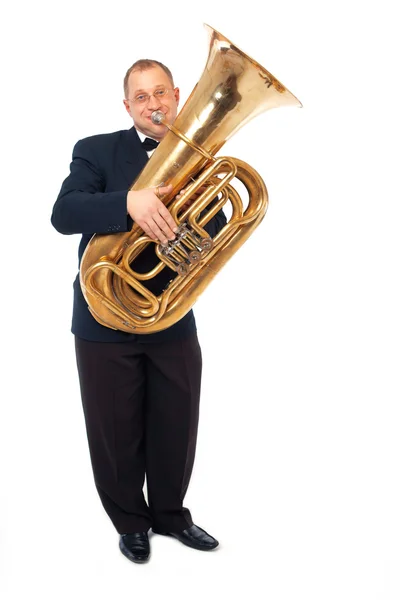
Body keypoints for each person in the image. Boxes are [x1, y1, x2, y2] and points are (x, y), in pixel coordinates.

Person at [51, 59, 227, 564]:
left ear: (177, 96)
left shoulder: (205, 157)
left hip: (170, 312)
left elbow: (215, 226)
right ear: (127, 106)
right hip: (102, 316)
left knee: (177, 419)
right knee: (113, 428)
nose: (153, 105)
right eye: (141, 97)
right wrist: (128, 202)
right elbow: (64, 213)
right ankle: (130, 521)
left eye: (160, 94)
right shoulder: (96, 150)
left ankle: (171, 515)